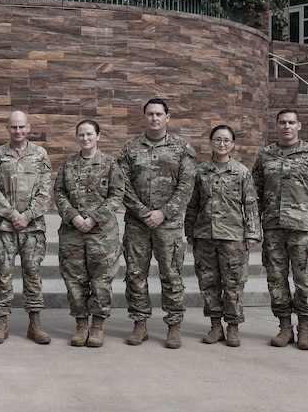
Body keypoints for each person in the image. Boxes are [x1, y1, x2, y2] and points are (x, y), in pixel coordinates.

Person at [252, 109, 308, 350]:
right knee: (276, 280)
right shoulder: (265, 155)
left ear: (299, 125)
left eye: (291, 122)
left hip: (303, 229)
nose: (286, 126)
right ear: (276, 125)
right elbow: (254, 195)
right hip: (273, 229)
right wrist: (253, 226)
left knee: (304, 281)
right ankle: (284, 327)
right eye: (282, 122)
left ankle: (304, 329)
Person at [118, 97, 197, 349]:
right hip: (137, 224)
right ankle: (139, 324)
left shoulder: (182, 148)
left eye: (159, 114)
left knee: (172, 275)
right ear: (144, 117)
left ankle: (174, 326)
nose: (154, 118)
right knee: (135, 274)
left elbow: (187, 186)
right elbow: (122, 184)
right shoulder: (130, 148)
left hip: (169, 225)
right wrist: (142, 211)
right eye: (150, 114)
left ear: (167, 117)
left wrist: (164, 212)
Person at [185, 125, 260, 348]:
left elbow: (250, 205)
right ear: (211, 143)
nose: (222, 144)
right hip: (205, 235)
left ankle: (233, 327)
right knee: (208, 283)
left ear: (233, 144)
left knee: (234, 284)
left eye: (226, 140)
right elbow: (193, 204)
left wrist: (252, 233)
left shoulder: (241, 172)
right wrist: (189, 231)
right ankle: (215, 326)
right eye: (217, 139)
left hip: (233, 237)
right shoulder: (200, 171)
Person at [54, 119, 125, 347]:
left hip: (102, 235)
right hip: (72, 233)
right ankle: (81, 324)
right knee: (74, 280)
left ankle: (97, 326)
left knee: (101, 281)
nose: (85, 138)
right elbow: (59, 192)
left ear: (98, 136)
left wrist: (94, 217)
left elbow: (117, 195)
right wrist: (73, 215)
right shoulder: (68, 164)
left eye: (89, 134)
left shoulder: (111, 164)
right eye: (81, 135)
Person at [0, 111, 52, 345]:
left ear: (29, 128)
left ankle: (35, 323)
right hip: (5, 228)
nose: (18, 131)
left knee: (33, 274)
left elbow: (45, 190)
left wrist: (28, 215)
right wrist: (13, 215)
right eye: (14, 127)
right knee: (3, 274)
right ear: (7, 128)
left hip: (32, 229)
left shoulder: (40, 155)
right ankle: (2, 323)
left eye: (22, 127)